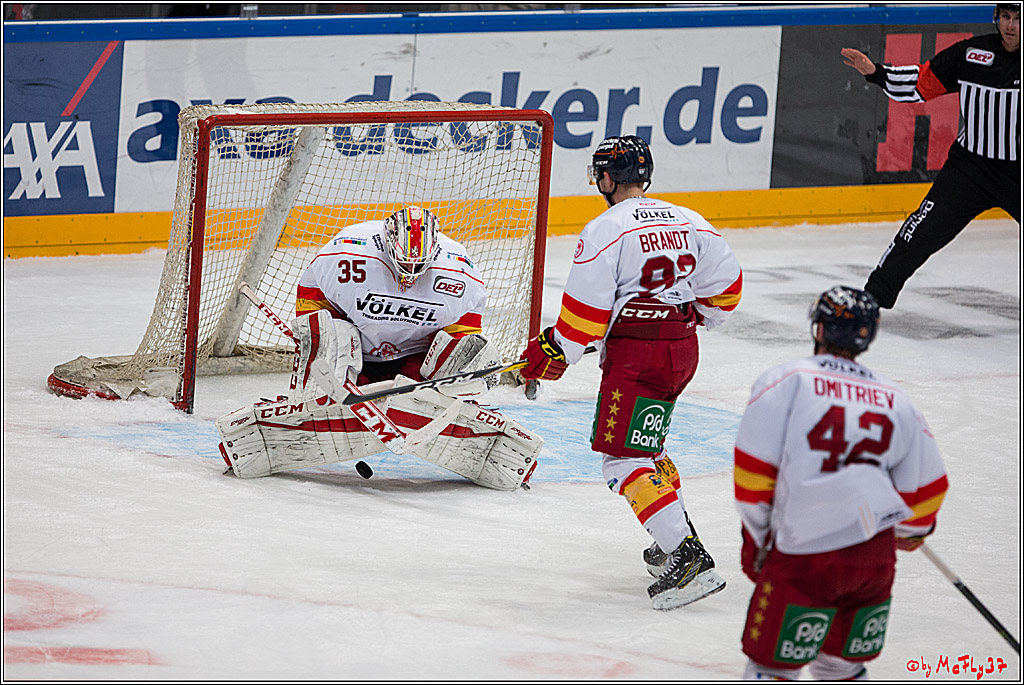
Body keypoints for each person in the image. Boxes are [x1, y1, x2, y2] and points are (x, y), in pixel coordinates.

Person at [518, 135, 743, 610]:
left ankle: (688, 558)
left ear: (605, 177)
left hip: (639, 359)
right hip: (682, 349)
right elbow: (726, 290)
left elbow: (582, 321)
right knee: (647, 446)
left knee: (623, 459)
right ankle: (673, 541)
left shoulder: (606, 228)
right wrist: (687, 317)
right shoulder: (689, 219)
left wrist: (552, 353)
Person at [215, 205, 542, 491]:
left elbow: (465, 330)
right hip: (357, 355)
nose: (410, 276)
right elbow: (312, 296)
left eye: (420, 267)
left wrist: (457, 384)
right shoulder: (346, 253)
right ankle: (317, 403)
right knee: (326, 337)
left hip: (417, 359)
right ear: (386, 245)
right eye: (403, 265)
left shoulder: (460, 273)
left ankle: (454, 418)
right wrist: (321, 348)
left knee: (469, 358)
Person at [734, 286, 948, 680]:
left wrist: (761, 541)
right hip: (873, 562)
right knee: (841, 666)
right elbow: (927, 488)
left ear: (819, 329)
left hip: (805, 555)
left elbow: (753, 475)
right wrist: (908, 532)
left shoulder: (786, 381)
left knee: (772, 666)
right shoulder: (897, 399)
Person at [840, 3, 1021, 309]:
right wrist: (877, 73)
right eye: (1006, 17)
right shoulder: (970, 54)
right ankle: (871, 300)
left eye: (1018, 18)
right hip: (970, 169)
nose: (1011, 25)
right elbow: (922, 83)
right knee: (917, 233)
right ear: (996, 18)